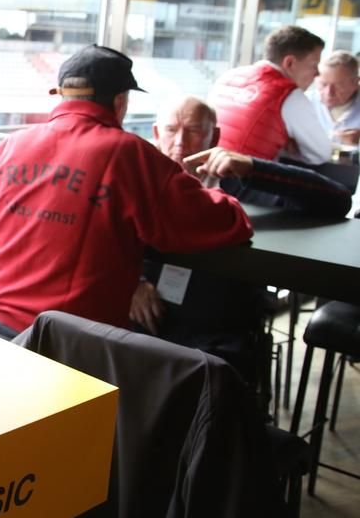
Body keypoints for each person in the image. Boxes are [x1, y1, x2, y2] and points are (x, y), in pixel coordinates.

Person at [0, 45, 253, 340]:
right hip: (71, 349)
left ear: (60, 94)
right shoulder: (131, 155)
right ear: (120, 101)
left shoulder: (12, 145)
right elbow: (227, 221)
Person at [130, 96, 352, 397]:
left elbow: (337, 199)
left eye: (194, 130)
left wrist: (252, 168)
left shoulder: (236, 181)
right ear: (156, 134)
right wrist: (135, 281)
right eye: (171, 130)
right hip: (149, 319)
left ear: (215, 136)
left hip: (221, 328)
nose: (180, 142)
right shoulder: (137, 178)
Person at [208, 25, 330, 165]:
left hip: (204, 176)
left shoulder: (228, 76)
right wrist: (288, 147)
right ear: (289, 63)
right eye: (314, 65)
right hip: (242, 182)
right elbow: (321, 154)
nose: (317, 73)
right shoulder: (289, 96)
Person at [310, 50, 360, 146]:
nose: (329, 92)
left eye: (338, 85)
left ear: (356, 83)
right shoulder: (305, 102)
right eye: (323, 84)